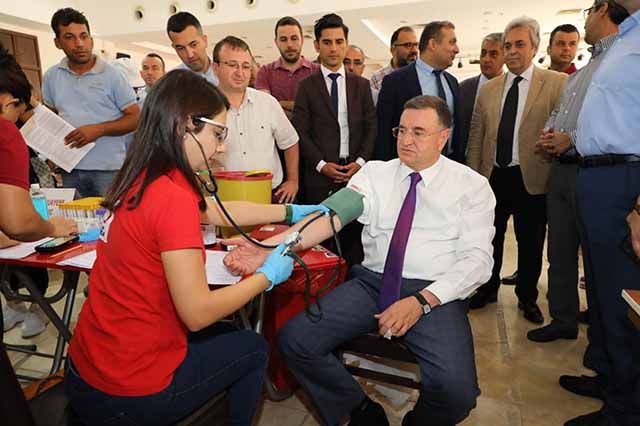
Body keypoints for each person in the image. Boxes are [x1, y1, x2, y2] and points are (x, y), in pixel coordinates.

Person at [63, 69, 327, 426]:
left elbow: (216, 210)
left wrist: (290, 211)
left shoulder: (144, 175)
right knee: (253, 348)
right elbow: (198, 313)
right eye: (217, 135)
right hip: (130, 389)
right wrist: (267, 276)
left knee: (227, 336)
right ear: (185, 125)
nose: (221, 148)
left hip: (86, 367)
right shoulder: (171, 197)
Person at [224, 95, 496, 426]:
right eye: (401, 130)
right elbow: (329, 216)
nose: (406, 140)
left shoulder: (472, 186)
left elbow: (477, 261)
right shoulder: (374, 174)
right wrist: (269, 248)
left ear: (443, 137)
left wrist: (422, 301)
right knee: (296, 340)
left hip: (434, 292)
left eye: (419, 132)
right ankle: (360, 412)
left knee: (457, 391)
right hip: (371, 284)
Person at [527, 0, 627, 344]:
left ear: (602, 11)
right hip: (562, 171)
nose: (585, 23)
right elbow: (560, 113)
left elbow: (607, 121)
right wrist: (550, 133)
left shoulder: (620, 62)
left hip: (595, 171)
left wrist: (569, 139)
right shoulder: (581, 74)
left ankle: (603, 330)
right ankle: (563, 318)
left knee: (599, 258)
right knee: (559, 251)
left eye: (588, 14)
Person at [564, 0, 640, 424]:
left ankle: (626, 408)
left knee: (621, 295)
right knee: (599, 289)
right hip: (596, 175)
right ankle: (610, 378)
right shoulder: (624, 40)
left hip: (623, 178)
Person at [466, 17, 567, 324]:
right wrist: (473, 179)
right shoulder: (488, 89)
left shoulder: (555, 83)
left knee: (530, 242)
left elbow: (564, 129)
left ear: (535, 48)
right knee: (489, 239)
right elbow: (476, 136)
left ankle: (527, 297)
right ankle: (487, 288)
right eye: (507, 45)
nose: (512, 51)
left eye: (519, 44)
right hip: (492, 177)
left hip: (532, 176)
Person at [0, 48, 77, 337]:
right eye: (19, 113)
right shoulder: (5, 133)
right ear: (10, 102)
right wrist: (51, 227)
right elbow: (20, 224)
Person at [292, 13, 376, 267]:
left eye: (339, 42)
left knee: (355, 245)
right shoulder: (306, 87)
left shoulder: (362, 85)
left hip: (356, 176)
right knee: (320, 245)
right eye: (327, 42)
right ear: (317, 45)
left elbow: (371, 127)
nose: (334, 48)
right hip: (319, 178)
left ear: (346, 43)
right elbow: (301, 132)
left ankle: (353, 285)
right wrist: (321, 165)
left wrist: (359, 163)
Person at [42, 8, 140, 198]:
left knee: (111, 216)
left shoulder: (112, 75)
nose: (79, 43)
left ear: (91, 40)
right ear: (57, 43)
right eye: (69, 37)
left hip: (109, 170)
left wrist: (99, 129)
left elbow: (136, 118)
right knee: (75, 218)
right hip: (69, 168)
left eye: (83, 36)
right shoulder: (51, 77)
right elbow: (50, 118)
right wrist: (51, 154)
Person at [213, 36, 300, 203]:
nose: (240, 73)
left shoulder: (268, 103)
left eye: (246, 66)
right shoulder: (204, 107)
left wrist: (293, 181)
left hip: (271, 195)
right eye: (232, 65)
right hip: (225, 198)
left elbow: (290, 142)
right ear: (215, 67)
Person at [375, 21, 464, 163]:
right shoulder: (395, 81)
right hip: (408, 166)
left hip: (448, 166)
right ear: (433, 44)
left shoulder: (452, 82)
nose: (457, 49)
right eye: (452, 42)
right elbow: (382, 133)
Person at [255, 16, 319, 119]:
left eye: (294, 38)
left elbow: (319, 109)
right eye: (283, 39)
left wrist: (281, 104)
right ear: (276, 42)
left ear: (302, 40)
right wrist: (304, 106)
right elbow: (266, 109)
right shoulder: (265, 72)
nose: (289, 45)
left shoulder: (317, 71)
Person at [457, 32, 504, 163]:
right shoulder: (462, 89)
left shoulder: (512, 89)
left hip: (499, 164)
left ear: (505, 56)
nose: (486, 59)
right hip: (464, 162)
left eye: (493, 54)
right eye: (483, 53)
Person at [369, 26, 419, 104]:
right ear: (393, 50)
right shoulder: (377, 77)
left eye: (416, 45)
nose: (414, 50)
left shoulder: (422, 75)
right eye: (408, 45)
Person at [166, 12, 218, 86]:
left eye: (193, 45)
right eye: (181, 48)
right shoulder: (172, 83)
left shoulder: (226, 72)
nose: (190, 55)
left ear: (205, 41)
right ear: (174, 48)